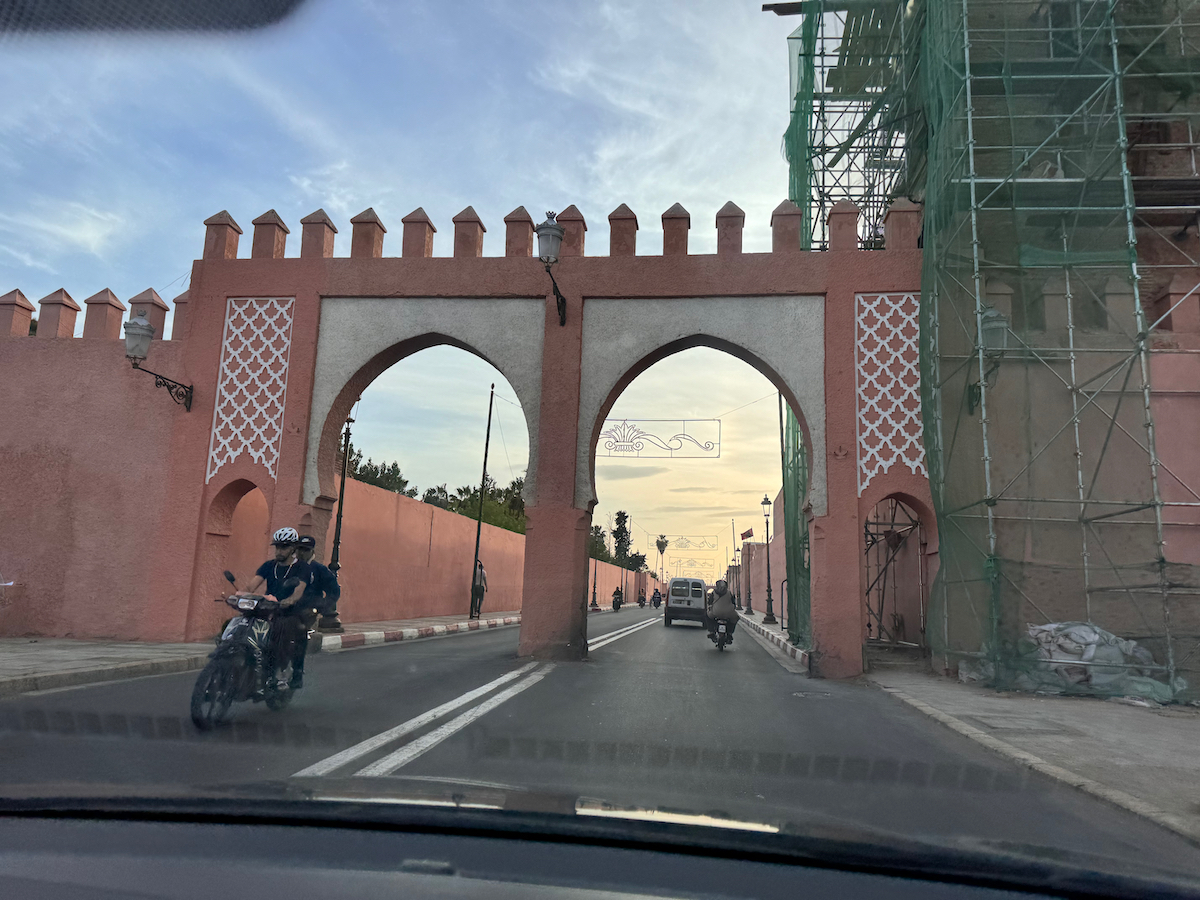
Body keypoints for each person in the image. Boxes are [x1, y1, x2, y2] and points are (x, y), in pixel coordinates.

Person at [239, 527, 313, 690]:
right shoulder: (268, 566)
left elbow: (298, 591)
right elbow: (251, 586)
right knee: (240, 624)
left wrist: (289, 601)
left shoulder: (302, 568)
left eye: (284, 547)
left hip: (291, 612)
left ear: (293, 548)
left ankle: (284, 673)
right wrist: (239, 595)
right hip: (268, 609)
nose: (279, 550)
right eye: (277, 546)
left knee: (282, 629)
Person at [293, 535, 341, 689]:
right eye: (299, 549)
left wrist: (320, 608)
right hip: (287, 608)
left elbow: (334, 591)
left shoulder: (319, 570)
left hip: (306, 611)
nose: (302, 553)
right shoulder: (289, 567)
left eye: (305, 550)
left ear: (312, 551)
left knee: (299, 634)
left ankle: (297, 673)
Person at [706, 579, 738, 645]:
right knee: (736, 618)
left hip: (715, 613)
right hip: (729, 613)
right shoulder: (729, 593)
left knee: (707, 616)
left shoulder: (714, 593)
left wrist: (710, 607)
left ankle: (711, 631)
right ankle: (730, 633)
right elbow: (733, 602)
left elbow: (709, 602)